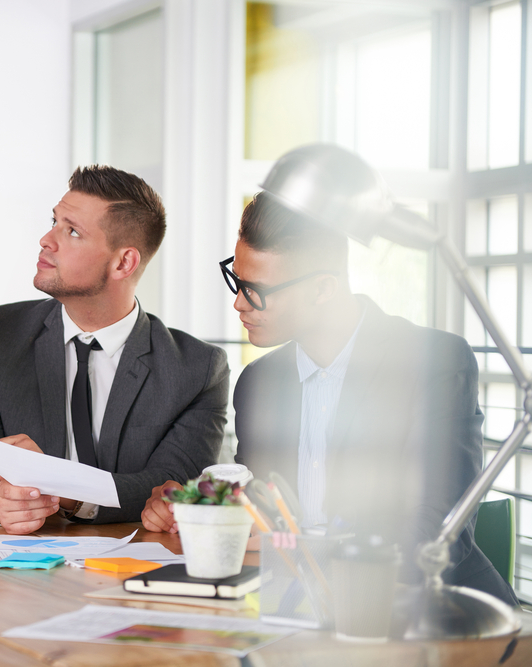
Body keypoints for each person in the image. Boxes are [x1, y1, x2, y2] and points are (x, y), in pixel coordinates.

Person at [141, 193, 518, 606]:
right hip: (301, 610)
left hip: (433, 613)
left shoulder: (433, 364)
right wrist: (200, 511)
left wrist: (297, 546)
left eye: (257, 290)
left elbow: (435, 534)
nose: (238, 303)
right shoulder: (259, 382)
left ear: (323, 288)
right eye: (237, 280)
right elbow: (268, 510)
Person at [0, 165, 229, 534]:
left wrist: (66, 491)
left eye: (72, 231)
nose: (47, 239)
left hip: (129, 570)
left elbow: (169, 484)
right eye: (54, 222)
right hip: (14, 569)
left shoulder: (198, 369)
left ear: (123, 262)